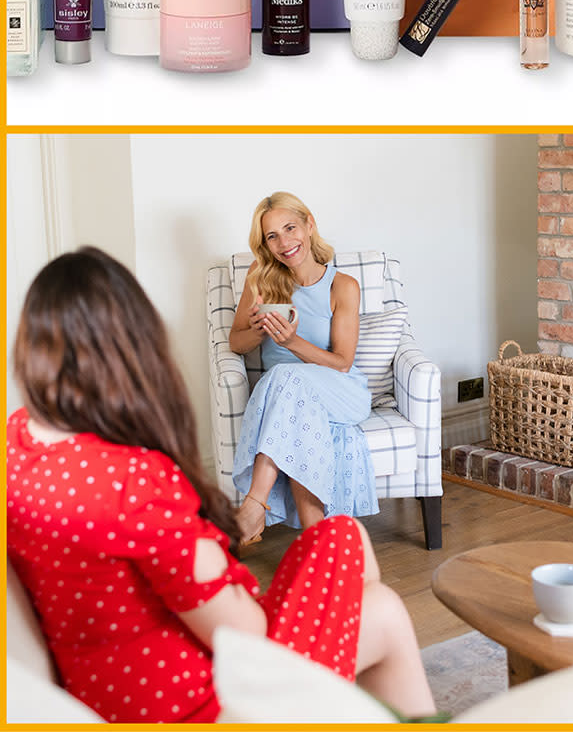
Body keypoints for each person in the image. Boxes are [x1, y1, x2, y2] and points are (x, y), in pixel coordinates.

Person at [7, 247, 436, 723]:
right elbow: (244, 630)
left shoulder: (16, 444)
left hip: (108, 683)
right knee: (382, 609)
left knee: (342, 534)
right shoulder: (135, 482)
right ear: (133, 352)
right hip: (206, 698)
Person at [229, 192, 376, 545]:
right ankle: (318, 545)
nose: (284, 242)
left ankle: (254, 504)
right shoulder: (260, 275)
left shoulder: (342, 286)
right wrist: (259, 329)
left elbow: (342, 362)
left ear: (309, 225)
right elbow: (236, 342)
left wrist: (290, 342)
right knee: (296, 410)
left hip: (340, 391)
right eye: (272, 236)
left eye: (290, 228)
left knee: (286, 375)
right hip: (287, 397)